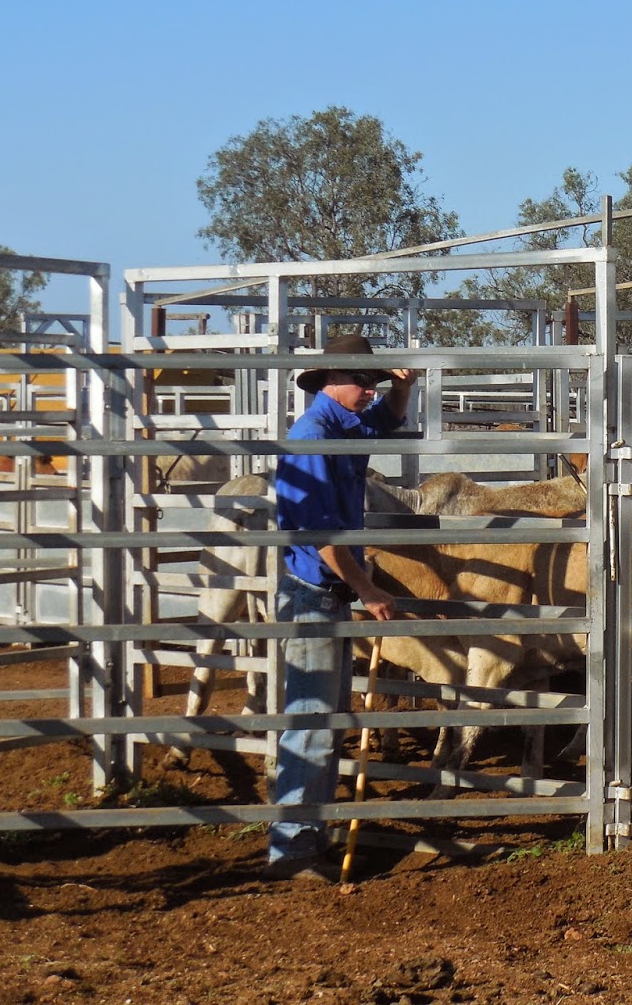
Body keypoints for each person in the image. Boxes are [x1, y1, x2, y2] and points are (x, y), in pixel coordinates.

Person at [265, 333, 416, 880]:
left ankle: (310, 837)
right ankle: (292, 849)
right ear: (330, 380)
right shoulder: (311, 437)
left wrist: (402, 390)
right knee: (311, 722)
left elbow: (384, 424)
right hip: (313, 593)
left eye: (374, 381)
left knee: (324, 724)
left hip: (328, 592)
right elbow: (318, 531)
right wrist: (367, 587)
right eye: (362, 381)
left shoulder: (343, 427)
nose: (370, 390)